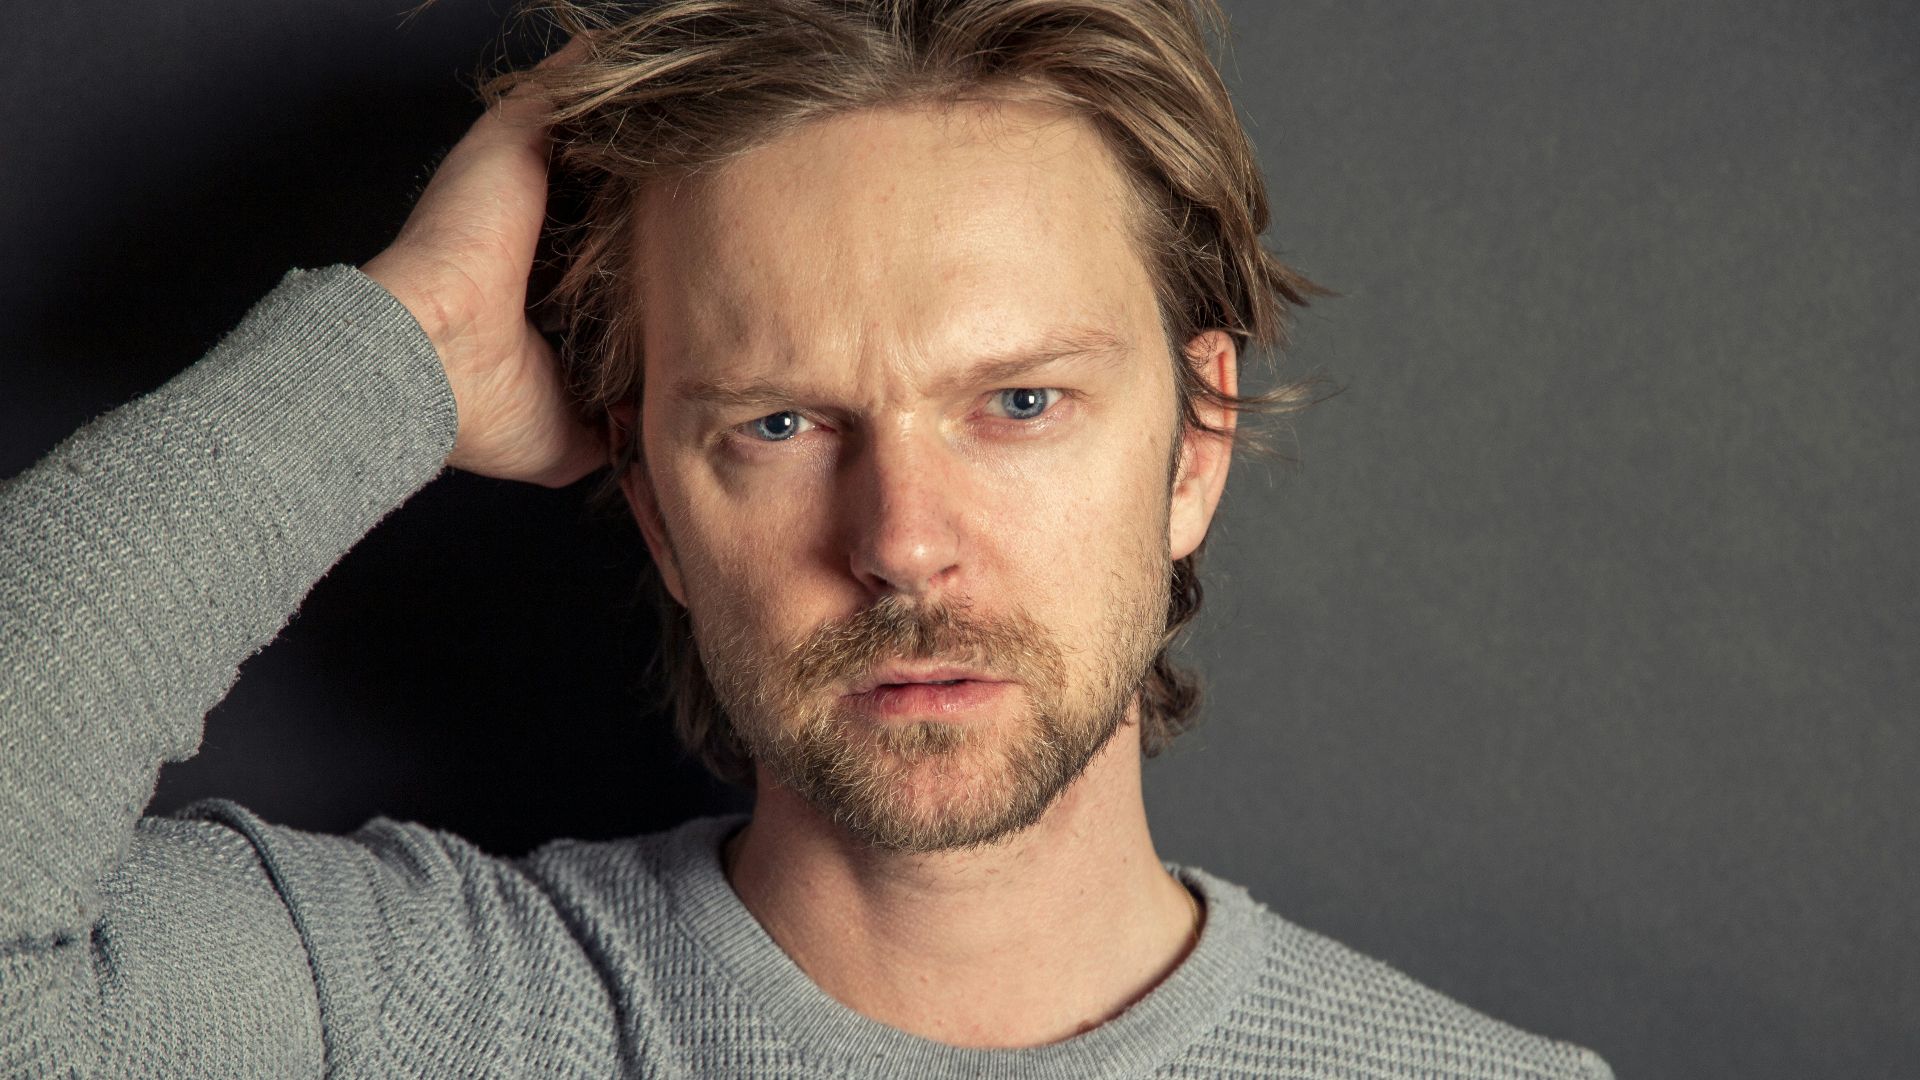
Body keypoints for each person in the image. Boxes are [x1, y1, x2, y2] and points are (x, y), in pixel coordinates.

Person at [0, 1, 1612, 1075]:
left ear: (1197, 446)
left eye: (1022, 404)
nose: (903, 541)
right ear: (652, 505)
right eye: (779, 423)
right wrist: (400, 351)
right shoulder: (410, 1009)